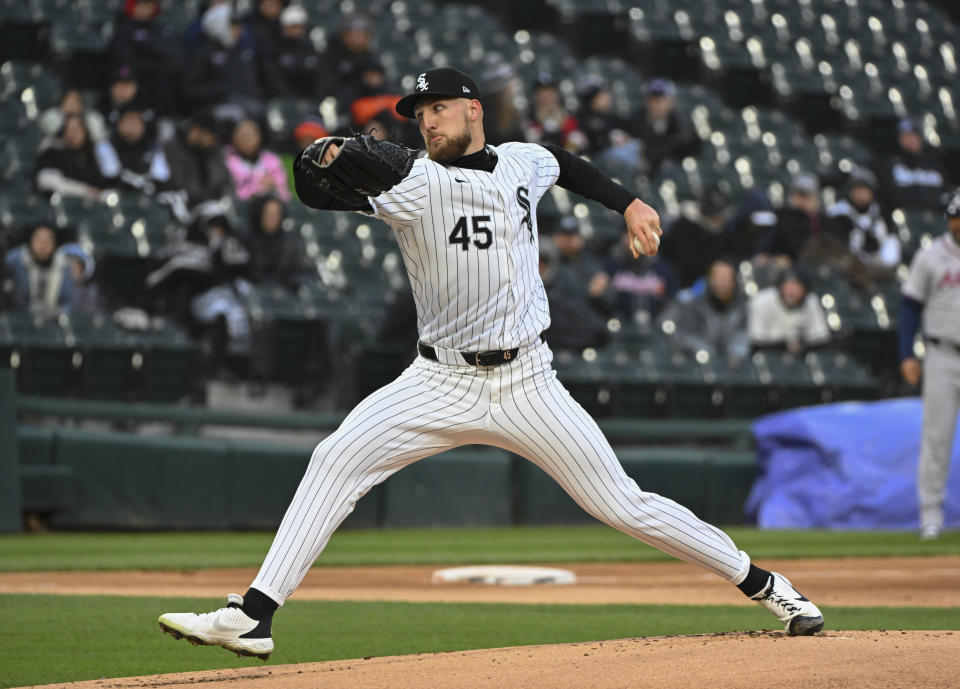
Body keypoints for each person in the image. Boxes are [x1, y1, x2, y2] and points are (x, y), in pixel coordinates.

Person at [157, 66, 824, 659]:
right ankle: (253, 614)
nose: (426, 122)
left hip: (527, 380)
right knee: (336, 458)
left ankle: (768, 585)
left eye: (436, 109)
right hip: (438, 379)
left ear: (473, 109)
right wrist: (328, 159)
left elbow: (564, 162)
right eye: (418, 116)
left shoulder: (522, 162)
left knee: (624, 503)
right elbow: (324, 186)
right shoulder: (414, 183)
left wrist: (629, 202)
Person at [898, 188, 960, 540]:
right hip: (942, 354)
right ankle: (930, 517)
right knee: (936, 439)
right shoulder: (932, 256)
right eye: (954, 216)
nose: (957, 223)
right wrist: (907, 353)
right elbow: (909, 309)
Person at [181, 4, 264, 121]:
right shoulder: (202, 52)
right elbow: (190, 89)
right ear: (218, 25)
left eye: (238, 27)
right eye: (233, 26)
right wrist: (222, 91)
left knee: (266, 114)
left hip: (246, 102)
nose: (238, 31)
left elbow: (252, 85)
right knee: (237, 114)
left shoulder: (241, 52)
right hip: (213, 105)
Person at [658, 258, 749, 364]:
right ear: (709, 278)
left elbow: (742, 335)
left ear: (734, 281)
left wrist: (735, 355)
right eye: (718, 276)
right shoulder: (691, 302)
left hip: (729, 368)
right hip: (691, 362)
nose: (722, 282)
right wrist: (700, 348)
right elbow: (671, 328)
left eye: (727, 277)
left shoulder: (742, 306)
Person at [108, 0, 182, 116]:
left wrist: (146, 46)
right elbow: (123, 62)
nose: (144, 9)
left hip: (159, 85)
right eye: (141, 5)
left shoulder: (163, 29)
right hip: (135, 83)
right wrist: (128, 76)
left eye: (148, 5)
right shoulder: (123, 28)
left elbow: (174, 59)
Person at [827, 167, 900, 271]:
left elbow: (885, 241)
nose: (862, 195)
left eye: (865, 190)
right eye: (858, 190)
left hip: (875, 262)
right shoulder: (839, 212)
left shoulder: (880, 213)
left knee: (892, 240)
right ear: (851, 191)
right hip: (847, 262)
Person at [659, 185, 730, 288]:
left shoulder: (719, 233)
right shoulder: (683, 226)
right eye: (717, 216)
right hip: (677, 282)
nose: (720, 220)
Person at [748, 267, 830, 354]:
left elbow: (821, 339)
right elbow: (756, 343)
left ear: (805, 290)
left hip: (802, 359)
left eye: (797, 286)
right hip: (768, 357)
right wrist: (785, 345)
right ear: (779, 287)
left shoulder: (811, 301)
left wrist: (801, 346)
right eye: (788, 285)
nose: (791, 291)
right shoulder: (761, 301)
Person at [95, 104, 170, 195]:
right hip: (117, 197)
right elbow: (110, 176)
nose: (131, 126)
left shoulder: (154, 149)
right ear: (118, 125)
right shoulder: (105, 146)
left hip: (147, 200)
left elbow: (161, 179)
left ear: (143, 126)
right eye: (127, 122)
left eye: (135, 122)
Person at [163, 112, 233, 212]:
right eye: (211, 135)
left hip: (214, 207)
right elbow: (177, 183)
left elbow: (225, 181)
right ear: (196, 131)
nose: (213, 141)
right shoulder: (172, 149)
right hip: (185, 208)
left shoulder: (214, 151)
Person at [34, 114, 113, 200]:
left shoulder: (92, 155)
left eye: (77, 129)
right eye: (69, 130)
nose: (73, 134)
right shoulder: (52, 152)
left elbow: (107, 181)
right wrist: (84, 191)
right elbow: (46, 181)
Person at [876, 117, 946, 212]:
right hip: (905, 218)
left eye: (912, 135)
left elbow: (944, 192)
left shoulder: (936, 161)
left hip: (936, 218)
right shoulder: (889, 163)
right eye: (904, 136)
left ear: (920, 137)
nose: (909, 140)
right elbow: (890, 196)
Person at [3, 224, 74, 317]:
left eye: (47, 241)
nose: (42, 245)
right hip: (21, 319)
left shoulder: (64, 264)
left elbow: (68, 300)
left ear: (54, 244)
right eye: (38, 240)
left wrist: (61, 314)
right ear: (31, 241)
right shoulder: (14, 260)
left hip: (53, 320)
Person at [633, 78, 699, 177]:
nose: (657, 105)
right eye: (653, 100)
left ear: (671, 102)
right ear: (647, 102)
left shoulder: (682, 123)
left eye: (661, 100)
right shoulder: (635, 120)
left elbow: (689, 146)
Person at [246, 195, 313, 289]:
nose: (271, 218)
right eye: (267, 214)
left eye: (276, 214)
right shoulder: (248, 241)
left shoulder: (291, 243)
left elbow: (305, 273)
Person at [223, 118, 290, 201]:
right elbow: (229, 195)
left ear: (260, 138)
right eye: (243, 136)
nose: (247, 140)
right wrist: (259, 186)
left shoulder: (272, 160)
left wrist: (274, 187)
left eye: (250, 135)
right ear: (234, 139)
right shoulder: (227, 162)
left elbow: (284, 194)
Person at [526, 73, 587, 152]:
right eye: (542, 93)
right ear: (536, 96)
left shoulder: (567, 115)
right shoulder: (530, 118)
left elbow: (577, 138)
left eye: (550, 92)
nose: (546, 96)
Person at [39, 88, 108, 143]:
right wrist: (62, 112)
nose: (72, 104)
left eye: (75, 101)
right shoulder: (55, 113)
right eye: (69, 100)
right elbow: (47, 129)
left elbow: (98, 137)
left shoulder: (90, 117)